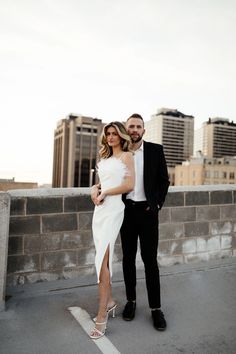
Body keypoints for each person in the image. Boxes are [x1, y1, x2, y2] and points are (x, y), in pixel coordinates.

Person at [120, 113, 170, 331]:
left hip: (148, 212)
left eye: (138, 126)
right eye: (131, 126)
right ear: (126, 128)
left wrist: (156, 204)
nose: (134, 129)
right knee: (128, 259)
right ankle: (131, 301)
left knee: (150, 261)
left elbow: (164, 182)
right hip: (127, 212)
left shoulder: (155, 151)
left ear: (143, 130)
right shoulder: (119, 152)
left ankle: (156, 309)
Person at [90, 121, 135, 339]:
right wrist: (94, 188)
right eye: (107, 134)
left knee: (101, 262)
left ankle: (102, 316)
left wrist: (106, 191)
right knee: (102, 260)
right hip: (99, 212)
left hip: (114, 209)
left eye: (114, 133)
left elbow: (129, 185)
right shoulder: (105, 158)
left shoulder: (126, 156)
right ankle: (109, 301)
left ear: (121, 136)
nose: (110, 137)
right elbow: (101, 183)